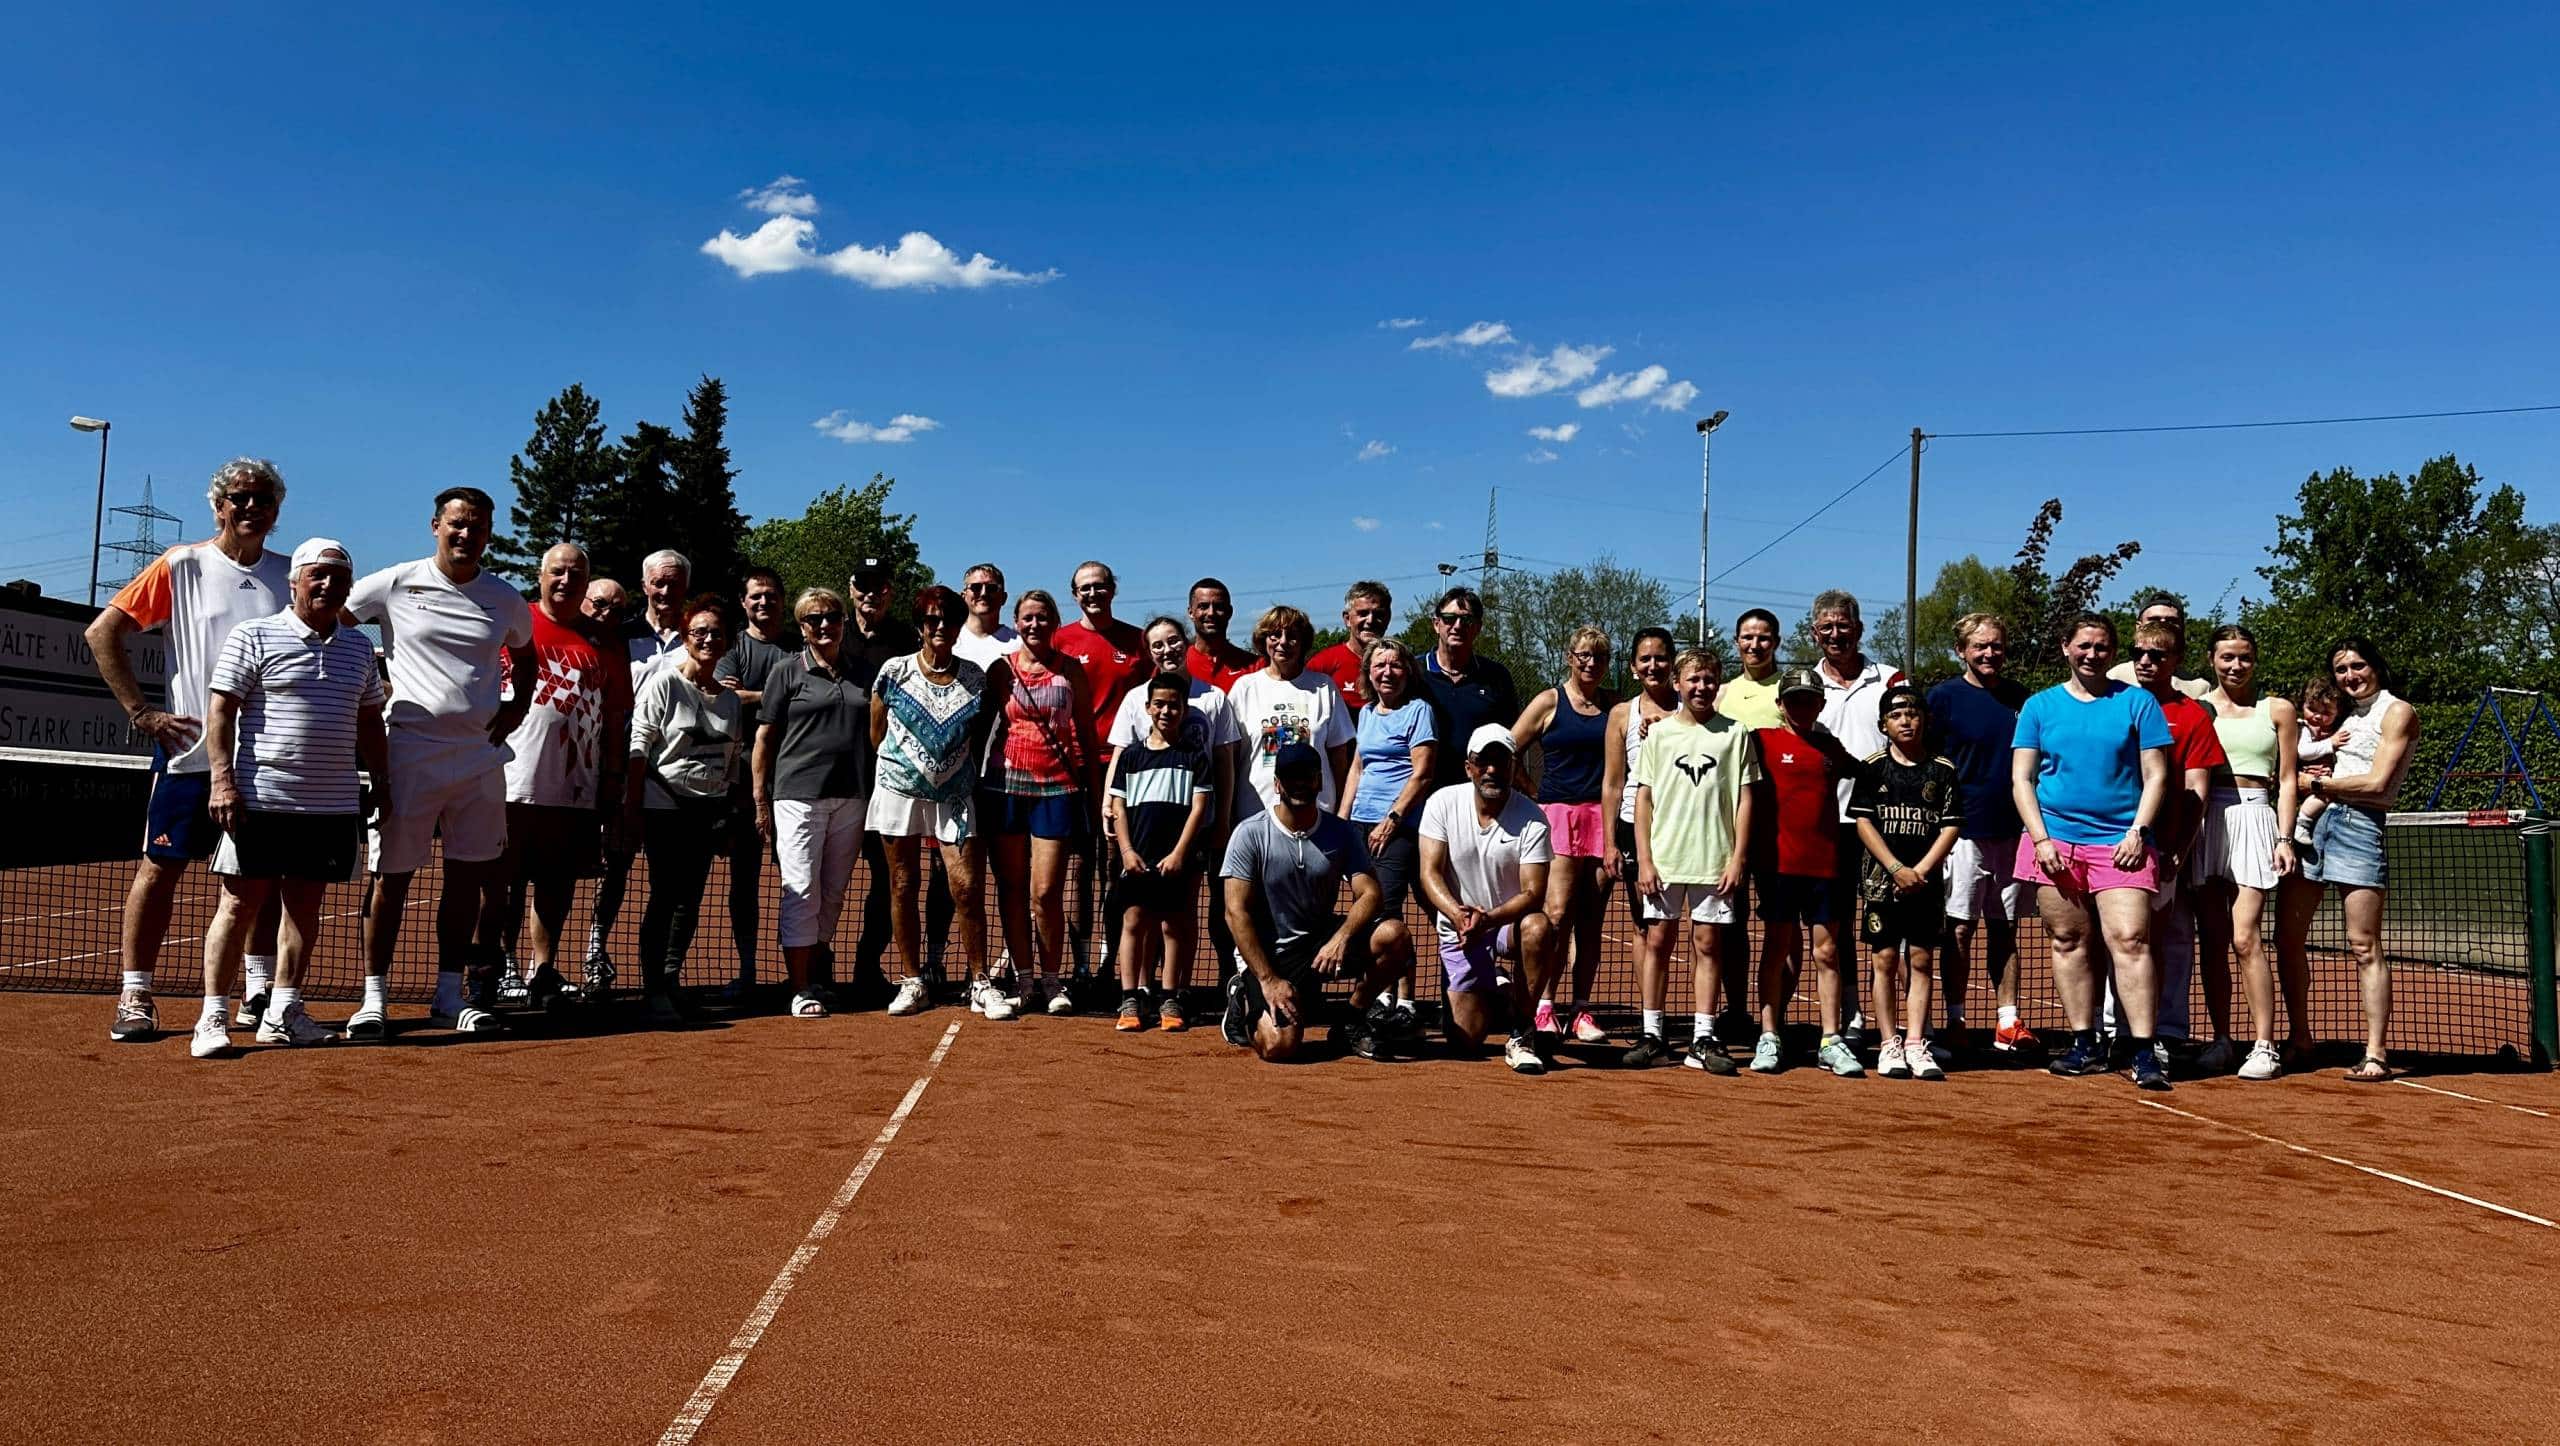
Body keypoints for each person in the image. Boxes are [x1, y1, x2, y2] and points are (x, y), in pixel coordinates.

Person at [88, 457, 291, 1043]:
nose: (250, 507)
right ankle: (136, 994)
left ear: (276, 511)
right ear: (218, 505)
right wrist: (141, 713)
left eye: (262, 499)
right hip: (190, 755)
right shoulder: (182, 565)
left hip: (265, 758)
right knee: (160, 871)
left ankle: (257, 991)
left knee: (261, 879)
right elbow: (103, 632)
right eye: (239, 497)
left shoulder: (292, 574)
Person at [347, 487, 537, 1039]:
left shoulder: (504, 598)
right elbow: (336, 622)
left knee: (468, 881)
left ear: (487, 535)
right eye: (457, 524)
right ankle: (374, 999)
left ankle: (449, 995)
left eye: (476, 527)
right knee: (392, 879)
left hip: (479, 758)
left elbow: (526, 656)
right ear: (436, 525)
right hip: (409, 753)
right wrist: (371, 686)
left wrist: (516, 707)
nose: (466, 534)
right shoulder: (395, 582)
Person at [191, 538, 386, 1057]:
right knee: (237, 905)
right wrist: (221, 780)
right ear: (294, 583)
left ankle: (283, 1012)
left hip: (331, 805)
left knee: (305, 908)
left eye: (338, 578)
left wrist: (384, 783)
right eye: (316, 576)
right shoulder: (254, 635)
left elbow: (370, 723)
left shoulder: (359, 647)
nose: (327, 585)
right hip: (260, 800)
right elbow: (221, 712)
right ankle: (212, 1017)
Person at [2011, 614, 2173, 1090]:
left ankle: (2143, 1051)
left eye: (2102, 647)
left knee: (2130, 940)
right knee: (2068, 942)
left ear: (2112, 652)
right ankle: (2085, 1044)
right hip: (2055, 842)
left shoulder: (2138, 702)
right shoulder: (2039, 707)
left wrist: (2138, 831)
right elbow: (2022, 778)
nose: (2092, 654)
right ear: (2066, 647)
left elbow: (2157, 775)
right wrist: (2041, 840)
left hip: (2122, 843)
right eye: (2084, 645)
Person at [2275, 638, 2419, 1081]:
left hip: (2359, 825)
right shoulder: (2340, 713)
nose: (2350, 675)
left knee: (2363, 944)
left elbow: (2377, 783)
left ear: (2376, 666)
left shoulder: (2397, 711)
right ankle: (2299, 1039)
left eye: (2358, 666)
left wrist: (2313, 786)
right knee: (2286, 938)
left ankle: (2375, 1053)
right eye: (2341, 669)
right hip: (2311, 826)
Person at [1217, 741, 1415, 1062]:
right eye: (1291, 777)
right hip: (1271, 956)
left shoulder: (1340, 832)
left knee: (1395, 936)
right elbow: (1235, 913)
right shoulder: (1250, 833)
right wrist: (1267, 980)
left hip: (1321, 945)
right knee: (1279, 1046)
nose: (1299, 784)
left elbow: (1371, 893)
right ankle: (1243, 997)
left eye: (1307, 776)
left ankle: (1350, 1021)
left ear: (1319, 781)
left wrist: (1341, 938)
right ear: (1278, 784)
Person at [499, 543, 631, 1008]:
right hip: (510, 781)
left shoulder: (607, 642)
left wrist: (612, 780)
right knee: (503, 881)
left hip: (577, 786)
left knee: (556, 883)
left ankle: (544, 970)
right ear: (541, 575)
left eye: (577, 574)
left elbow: (616, 719)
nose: (566, 581)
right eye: (558, 571)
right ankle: (500, 969)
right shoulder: (514, 621)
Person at [1629, 648, 1760, 1074]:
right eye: (1693, 680)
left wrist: (1738, 857)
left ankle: (1703, 1038)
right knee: (1658, 943)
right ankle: (1653, 1034)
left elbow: (1744, 799)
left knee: (1708, 945)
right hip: (1665, 860)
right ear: (1679, 684)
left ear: (1717, 684)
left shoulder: (1735, 734)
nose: (1701, 687)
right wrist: (1645, 860)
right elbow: (1644, 797)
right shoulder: (1660, 734)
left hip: (1715, 860)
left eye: (1708, 680)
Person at [867, 586, 995, 1019]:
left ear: (960, 627)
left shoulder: (976, 677)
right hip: (897, 792)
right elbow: (876, 729)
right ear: (920, 625)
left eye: (949, 621)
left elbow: (979, 735)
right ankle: (912, 980)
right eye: (932, 620)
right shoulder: (894, 671)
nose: (941, 628)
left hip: (956, 796)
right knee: (903, 884)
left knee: (967, 887)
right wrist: (907, 769)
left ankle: (979, 982)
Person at [1108, 615, 1245, 1016]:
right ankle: (1136, 993)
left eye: (1172, 641)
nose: (1166, 650)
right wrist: (1116, 823)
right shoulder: (1135, 705)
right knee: (1136, 916)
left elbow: (1223, 763)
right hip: (1141, 832)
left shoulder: (1214, 699)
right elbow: (1120, 764)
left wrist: (1220, 822)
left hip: (1187, 834)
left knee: (1179, 917)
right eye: (1157, 645)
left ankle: (1175, 995)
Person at [753, 587, 874, 1020]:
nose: (825, 625)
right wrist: (760, 799)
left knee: (834, 892)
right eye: (814, 619)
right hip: (797, 796)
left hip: (854, 795)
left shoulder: (864, 671)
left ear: (843, 620)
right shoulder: (786, 671)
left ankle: (818, 975)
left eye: (832, 617)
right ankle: (800, 986)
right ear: (802, 627)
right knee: (801, 889)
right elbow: (765, 737)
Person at [2106, 618, 2224, 1064]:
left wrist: (2178, 851)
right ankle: (2113, 1031)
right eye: (2138, 653)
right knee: (2113, 939)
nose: (2145, 662)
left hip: (2159, 848)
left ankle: (2159, 1033)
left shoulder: (2191, 714)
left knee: (2154, 941)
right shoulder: (2110, 703)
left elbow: (2198, 793)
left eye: (2157, 655)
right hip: (2104, 844)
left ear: (2175, 661)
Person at [1417, 726, 1561, 1073]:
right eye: (1484, 762)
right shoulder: (1442, 802)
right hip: (1461, 926)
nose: (1492, 770)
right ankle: (1495, 987)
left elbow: (1533, 893)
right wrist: (1457, 914)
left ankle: (1522, 1031)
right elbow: (1430, 873)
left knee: (1540, 928)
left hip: (1506, 924)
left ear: (1514, 766)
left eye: (1501, 761)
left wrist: (1490, 918)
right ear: (1469, 767)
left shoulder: (1533, 818)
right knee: (1465, 1040)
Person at [630, 594, 744, 1023]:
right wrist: (631, 808)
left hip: (706, 812)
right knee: (664, 897)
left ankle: (671, 978)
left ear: (728, 641)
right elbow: (639, 746)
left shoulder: (730, 700)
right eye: (699, 632)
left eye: (716, 633)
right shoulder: (665, 684)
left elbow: (732, 763)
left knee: (690, 901)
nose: (708, 639)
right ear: (685, 638)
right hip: (664, 807)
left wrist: (728, 813)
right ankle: (653, 988)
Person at [983, 589, 1096, 1016]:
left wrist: (1097, 793)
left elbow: (1085, 734)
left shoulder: (1071, 672)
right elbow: (982, 730)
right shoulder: (1001, 671)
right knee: (1011, 890)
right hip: (1005, 787)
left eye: (1043, 618)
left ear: (1053, 622)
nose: (1035, 625)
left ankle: (1052, 979)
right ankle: (1024, 979)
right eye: (1027, 618)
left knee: (1046, 891)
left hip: (1058, 789)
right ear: (1017, 621)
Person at [2193, 625, 2299, 1080]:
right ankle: (2221, 1040)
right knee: (2212, 941)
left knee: (2245, 937)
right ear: (2212, 661)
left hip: (2257, 818)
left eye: (2244, 657)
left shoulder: (2277, 710)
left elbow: (2289, 778)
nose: (2236, 666)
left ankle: (2264, 1046)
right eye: (2226, 658)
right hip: (2205, 819)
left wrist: (2285, 837)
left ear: (2255, 660)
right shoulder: (2199, 708)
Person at [1926, 612, 2035, 1053]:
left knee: (2005, 928)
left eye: (1996, 645)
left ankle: (2008, 1022)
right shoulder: (1943, 698)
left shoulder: (2021, 698)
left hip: (2014, 831)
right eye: (1979, 646)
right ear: (1962, 651)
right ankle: (1954, 1019)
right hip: (1961, 833)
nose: (1989, 653)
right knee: (1958, 929)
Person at [585, 549, 692, 995]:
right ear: (645, 586)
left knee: (671, 879)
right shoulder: (618, 637)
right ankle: (595, 951)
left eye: (674, 583)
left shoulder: (699, 637)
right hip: (620, 771)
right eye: (658, 583)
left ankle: (662, 972)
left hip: (675, 778)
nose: (665, 591)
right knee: (615, 868)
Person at [1509, 626, 1618, 1045]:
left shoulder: (1616, 706)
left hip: (1601, 818)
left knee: (1592, 921)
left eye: (1600, 657)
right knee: (1556, 916)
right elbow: (1509, 745)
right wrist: (1531, 793)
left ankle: (1581, 1010)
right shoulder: (1549, 701)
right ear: (1570, 657)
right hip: (1557, 817)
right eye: (1584, 655)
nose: (1591, 663)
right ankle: (1543, 1005)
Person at [1746, 668, 1856, 1076]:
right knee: (1776, 950)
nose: (1801, 706)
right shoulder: (1760, 740)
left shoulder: (1830, 747)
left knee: (1827, 952)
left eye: (1809, 700)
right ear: (1780, 705)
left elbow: (1871, 774)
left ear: (1821, 705)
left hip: (1825, 865)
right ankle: (1769, 1035)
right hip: (1777, 866)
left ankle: (1831, 1039)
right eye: (1793, 700)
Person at [1851, 685, 1964, 1081]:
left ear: (1925, 720)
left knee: (1921, 960)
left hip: (1926, 882)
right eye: (1897, 715)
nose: (1906, 721)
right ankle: (1887, 1042)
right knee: (1883, 960)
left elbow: (1950, 826)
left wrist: (1922, 870)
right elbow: (1863, 822)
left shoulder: (1942, 770)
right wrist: (1897, 867)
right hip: (1883, 881)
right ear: (1884, 724)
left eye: (1913, 714)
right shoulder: (1872, 767)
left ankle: (1916, 1042)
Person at [1811, 590, 1904, 1046]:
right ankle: (1850, 1008)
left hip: (1884, 823)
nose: (1836, 634)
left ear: (1859, 629)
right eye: (1826, 627)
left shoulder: (1889, 679)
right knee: (1836, 923)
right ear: (1814, 633)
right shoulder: (1802, 684)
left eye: (1843, 625)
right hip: (1825, 824)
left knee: (1887, 920)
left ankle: (1901, 1017)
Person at [1105, 672, 1215, 1031]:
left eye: (1174, 705)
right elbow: (1118, 808)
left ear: (1185, 709)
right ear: (1148, 708)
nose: (1167, 711)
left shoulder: (1194, 756)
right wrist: (1126, 851)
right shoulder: (1132, 757)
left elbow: (1199, 808)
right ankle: (1131, 999)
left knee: (1172, 925)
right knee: (1134, 921)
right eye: (1160, 704)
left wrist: (1181, 853)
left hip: (1175, 859)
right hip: (1138, 855)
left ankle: (1170, 998)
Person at [709, 565, 798, 997]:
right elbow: (726, 695)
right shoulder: (734, 647)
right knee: (744, 880)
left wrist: (754, 696)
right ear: (744, 603)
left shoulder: (799, 647)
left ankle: (800, 970)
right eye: (755, 596)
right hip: (741, 783)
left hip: (794, 782)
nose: (764, 602)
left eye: (771, 595)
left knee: (796, 879)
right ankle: (746, 970)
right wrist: (779, 695)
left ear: (783, 600)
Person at [1602, 627, 1681, 1061]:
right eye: (1645, 659)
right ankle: (1651, 1022)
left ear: (1673, 663)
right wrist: (1610, 840)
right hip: (1638, 825)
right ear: (1633, 667)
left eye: (1661, 658)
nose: (1653, 666)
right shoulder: (1621, 715)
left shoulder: (1694, 706)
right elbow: (1614, 782)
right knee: (1645, 927)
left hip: (1687, 828)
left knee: (1684, 930)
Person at [1337, 637, 1439, 916]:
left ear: (1407, 671)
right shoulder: (1368, 712)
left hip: (1396, 827)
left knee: (1382, 907)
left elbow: (1422, 774)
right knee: (1362, 900)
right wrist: (1342, 822)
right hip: (1360, 823)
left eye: (1395, 665)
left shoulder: (1419, 711)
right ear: (1369, 671)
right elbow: (1357, 769)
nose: (1387, 672)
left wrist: (1391, 821)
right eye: (1379, 664)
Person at [1229, 605, 1356, 815]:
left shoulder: (1323, 687)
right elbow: (1230, 758)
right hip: (1257, 811)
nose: (1283, 642)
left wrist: (1342, 810)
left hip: (1317, 812)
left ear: (1303, 642)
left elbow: (1339, 757)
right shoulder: (1245, 688)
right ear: (1263, 640)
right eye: (1275, 635)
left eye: (1292, 636)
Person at [1418, 586, 1521, 787]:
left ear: (1478, 627)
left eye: (1466, 620)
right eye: (1449, 618)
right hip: (1422, 791)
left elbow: (1511, 736)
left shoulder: (1496, 676)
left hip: (1478, 790)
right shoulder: (1413, 672)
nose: (1457, 626)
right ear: (1436, 624)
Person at [1307, 581, 1393, 713]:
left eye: (1379, 614)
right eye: (1363, 614)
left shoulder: (1399, 665)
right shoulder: (1323, 664)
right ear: (1347, 619)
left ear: (1388, 618)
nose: (1370, 620)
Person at [2105, 593, 2212, 698]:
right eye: (2153, 620)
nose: (2163, 626)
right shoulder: (2115, 678)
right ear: (2138, 626)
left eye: (2171, 621)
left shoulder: (2198, 688)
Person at [1183, 577, 1262, 690]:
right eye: (1203, 606)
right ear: (1191, 612)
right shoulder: (1179, 666)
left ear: (1229, 612)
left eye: (1219, 607)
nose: (1211, 613)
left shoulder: (1255, 666)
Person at [1716, 608, 1787, 730]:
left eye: (1763, 638)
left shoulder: (1788, 690)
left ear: (1776, 642)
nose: (1754, 646)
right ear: (1736, 641)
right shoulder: (1721, 694)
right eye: (1747, 637)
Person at [951, 562, 1022, 669]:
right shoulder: (949, 640)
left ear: (1003, 597)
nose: (983, 593)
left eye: (991, 588)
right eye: (976, 587)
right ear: (963, 596)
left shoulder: (1019, 645)